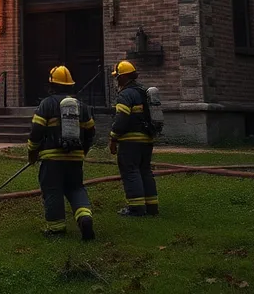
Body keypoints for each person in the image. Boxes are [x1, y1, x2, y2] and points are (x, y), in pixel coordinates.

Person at [27, 65, 97, 239]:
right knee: (76, 188)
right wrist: (82, 152)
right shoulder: (82, 107)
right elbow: (90, 133)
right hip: (75, 158)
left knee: (52, 190)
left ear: (51, 85)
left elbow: (36, 131)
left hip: (52, 160)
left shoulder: (47, 104)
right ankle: (84, 217)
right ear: (70, 85)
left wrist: (32, 152)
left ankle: (56, 229)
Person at [108, 60, 159, 216]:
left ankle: (136, 208)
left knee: (131, 171)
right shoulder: (143, 91)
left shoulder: (125, 95)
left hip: (130, 141)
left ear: (123, 77)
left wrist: (113, 138)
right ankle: (152, 207)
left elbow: (122, 119)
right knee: (145, 171)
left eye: (117, 77)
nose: (116, 80)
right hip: (147, 139)